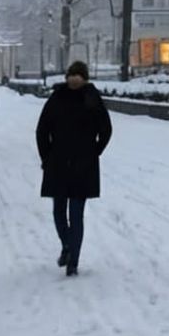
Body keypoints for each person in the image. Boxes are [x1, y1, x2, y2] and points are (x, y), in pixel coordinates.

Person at [35, 60, 113, 276]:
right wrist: (94, 151)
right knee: (76, 215)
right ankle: (73, 262)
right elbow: (106, 130)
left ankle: (67, 245)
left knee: (59, 211)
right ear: (86, 76)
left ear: (67, 75)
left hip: (58, 162)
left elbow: (42, 130)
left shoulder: (57, 97)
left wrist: (46, 156)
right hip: (83, 164)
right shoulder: (92, 98)